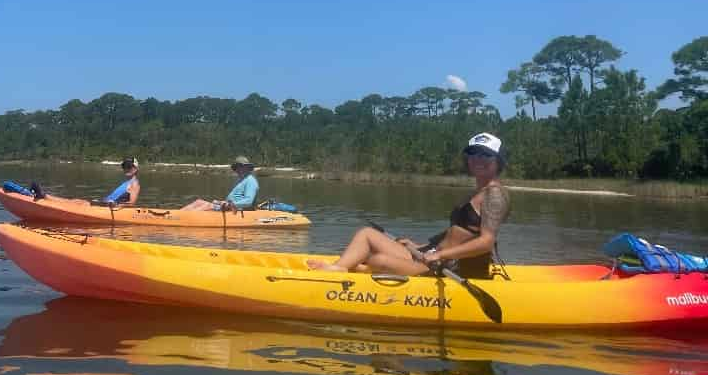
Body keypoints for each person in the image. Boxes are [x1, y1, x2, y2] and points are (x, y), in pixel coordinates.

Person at [307, 133, 510, 278]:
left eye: (485, 155)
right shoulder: (475, 192)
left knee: (378, 260)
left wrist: (441, 255)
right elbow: (455, 233)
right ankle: (339, 269)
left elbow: (486, 242)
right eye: (473, 154)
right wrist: (419, 246)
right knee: (367, 234)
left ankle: (364, 270)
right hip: (433, 256)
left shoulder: (494, 195)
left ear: (498, 161)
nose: (477, 160)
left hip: (455, 267)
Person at [31, 157, 141, 206]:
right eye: (125, 167)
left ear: (135, 169)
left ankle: (44, 196)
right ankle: (44, 195)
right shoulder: (126, 183)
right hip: (104, 204)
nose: (126, 169)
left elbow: (131, 203)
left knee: (78, 203)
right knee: (77, 201)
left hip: (109, 207)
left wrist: (116, 205)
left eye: (129, 167)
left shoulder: (135, 184)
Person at [180, 156, 259, 211]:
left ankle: (181, 218)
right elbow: (236, 198)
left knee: (206, 206)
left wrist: (229, 204)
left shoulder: (250, 181)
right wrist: (220, 202)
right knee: (199, 202)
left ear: (246, 168)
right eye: (236, 167)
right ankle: (178, 214)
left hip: (236, 210)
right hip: (229, 207)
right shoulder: (241, 180)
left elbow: (248, 201)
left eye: (240, 167)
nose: (237, 169)